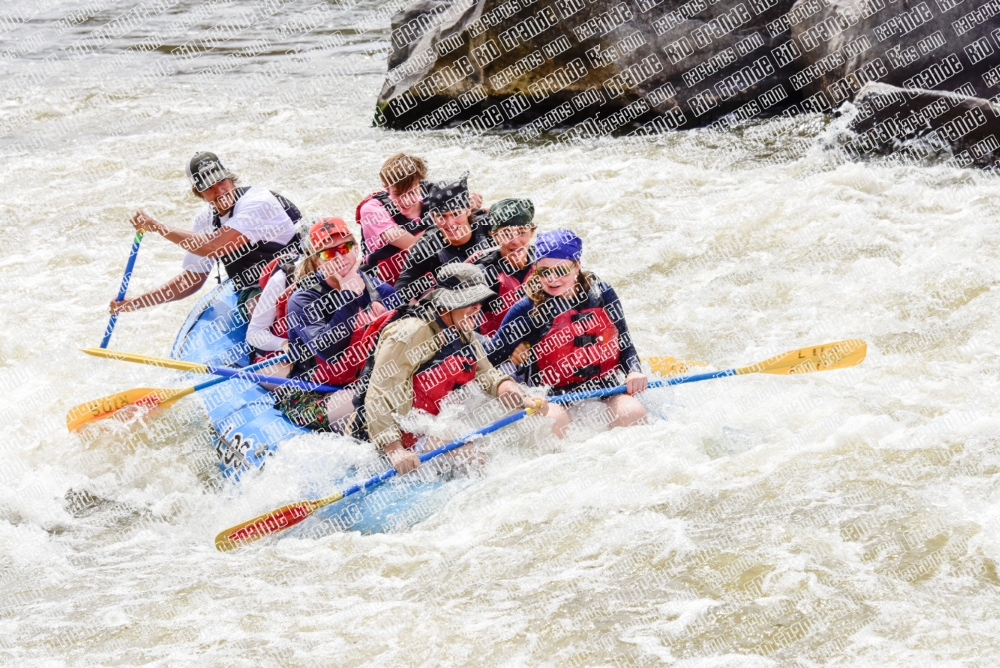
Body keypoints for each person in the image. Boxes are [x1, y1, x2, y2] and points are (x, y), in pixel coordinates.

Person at [348, 264, 549, 474]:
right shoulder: (410, 332)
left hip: (427, 428)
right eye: (469, 302)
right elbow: (379, 393)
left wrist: (523, 398)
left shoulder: (463, 330)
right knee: (474, 456)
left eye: (478, 301)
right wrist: (395, 451)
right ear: (444, 306)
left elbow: (488, 376)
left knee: (537, 423)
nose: (477, 307)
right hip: (380, 443)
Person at [487, 229, 649, 435]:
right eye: (544, 271)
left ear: (577, 266)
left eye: (561, 271)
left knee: (632, 412)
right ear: (535, 269)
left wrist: (634, 370)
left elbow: (625, 343)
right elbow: (490, 363)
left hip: (605, 389)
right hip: (551, 397)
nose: (552, 279)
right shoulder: (526, 309)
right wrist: (515, 393)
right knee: (554, 422)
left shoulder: (602, 293)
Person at [110, 151, 301, 316]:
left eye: (221, 182)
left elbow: (214, 247)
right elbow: (192, 279)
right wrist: (135, 303)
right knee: (256, 306)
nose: (219, 191)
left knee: (280, 304)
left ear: (230, 177)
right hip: (256, 290)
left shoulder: (258, 202)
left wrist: (158, 226)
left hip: (296, 276)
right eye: (209, 187)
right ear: (198, 192)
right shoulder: (205, 220)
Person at [275, 217, 399, 433]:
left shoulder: (379, 289)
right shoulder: (302, 300)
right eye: (328, 253)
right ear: (317, 261)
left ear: (356, 248)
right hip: (314, 393)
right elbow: (328, 351)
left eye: (345, 247)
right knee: (369, 403)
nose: (340, 257)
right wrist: (349, 295)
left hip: (366, 381)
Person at [391, 175, 494, 304]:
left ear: (468, 210)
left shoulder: (489, 226)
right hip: (458, 307)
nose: (450, 223)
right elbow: (401, 291)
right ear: (433, 217)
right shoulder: (429, 245)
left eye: (456, 214)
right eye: (441, 216)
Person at [355, 153, 432, 286]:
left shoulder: (431, 197)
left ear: (420, 185)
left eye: (412, 192)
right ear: (386, 187)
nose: (406, 201)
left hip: (428, 280)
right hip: (388, 288)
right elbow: (412, 245)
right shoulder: (371, 210)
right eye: (398, 194)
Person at [474, 198, 537, 336]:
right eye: (506, 234)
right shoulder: (484, 274)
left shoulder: (544, 262)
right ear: (495, 236)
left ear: (531, 232)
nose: (515, 242)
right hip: (496, 350)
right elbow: (465, 328)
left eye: (521, 232)